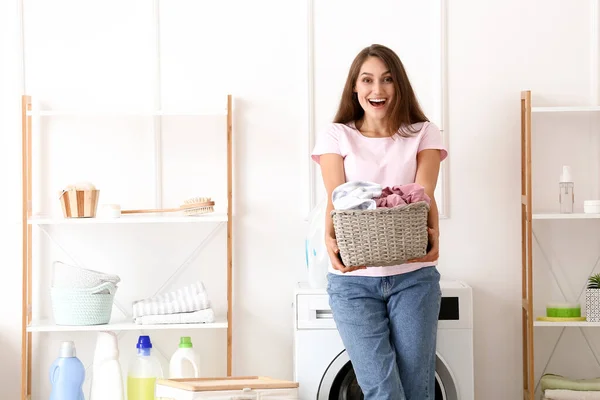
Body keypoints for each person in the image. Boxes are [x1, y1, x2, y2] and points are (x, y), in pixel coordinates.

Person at [310, 44, 448, 400]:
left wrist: (435, 237)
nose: (378, 89)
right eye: (367, 80)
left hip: (413, 277)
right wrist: (329, 237)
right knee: (382, 389)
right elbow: (336, 198)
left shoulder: (423, 132)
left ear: (399, 85)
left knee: (418, 389)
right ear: (354, 88)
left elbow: (425, 192)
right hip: (353, 284)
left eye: (387, 80)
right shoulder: (336, 135)